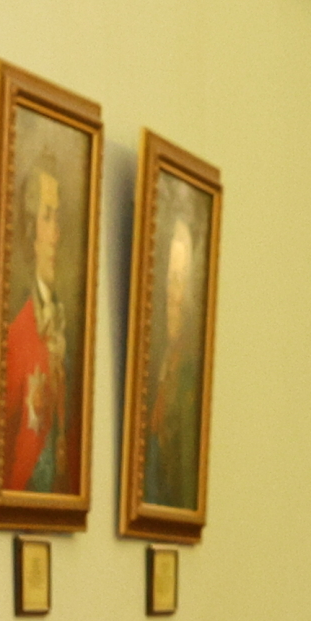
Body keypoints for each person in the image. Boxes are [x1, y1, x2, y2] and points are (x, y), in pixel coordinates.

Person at [0, 166, 74, 492]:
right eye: (47, 218)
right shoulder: (18, 332)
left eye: (58, 218)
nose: (56, 234)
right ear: (31, 230)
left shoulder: (61, 322)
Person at [138, 213, 205, 511]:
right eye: (169, 281)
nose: (173, 296)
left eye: (180, 282)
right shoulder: (155, 363)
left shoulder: (188, 372)